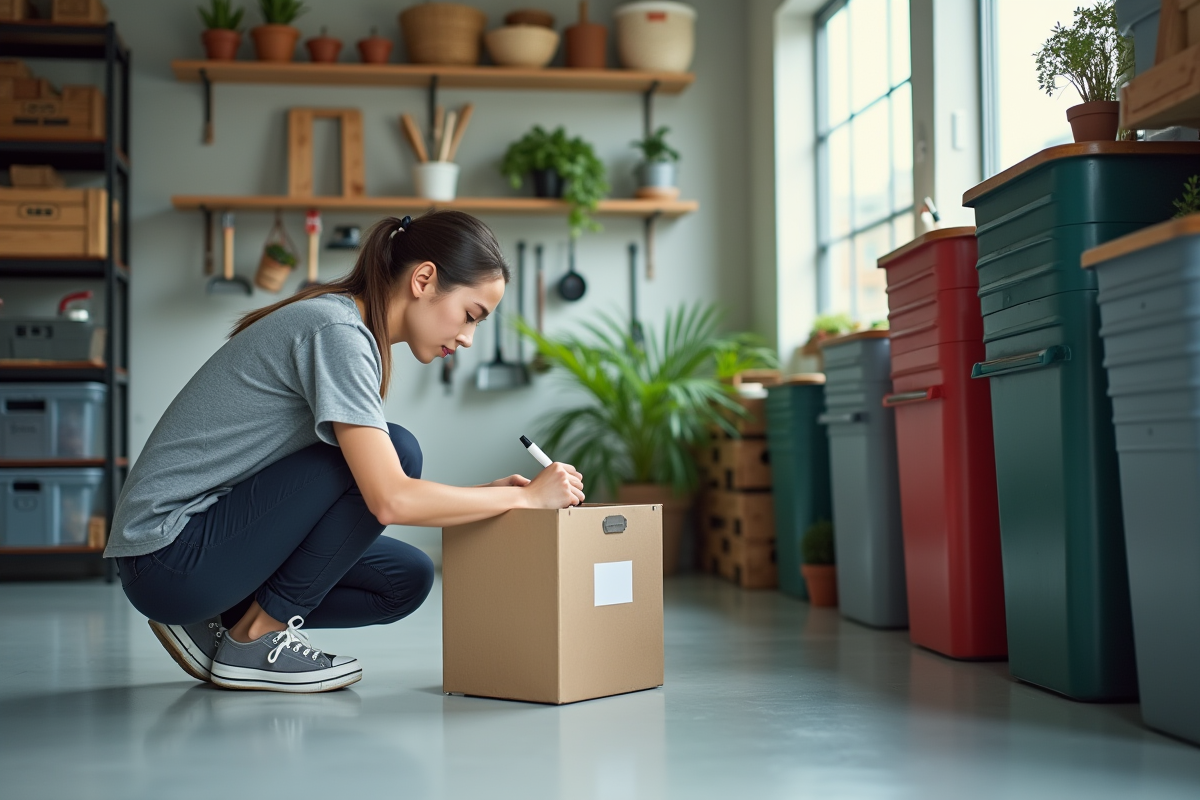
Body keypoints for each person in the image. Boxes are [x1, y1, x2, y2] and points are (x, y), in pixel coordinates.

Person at [104, 211, 584, 693]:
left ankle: (218, 620)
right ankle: (254, 638)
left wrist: (486, 496)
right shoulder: (337, 331)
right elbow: (389, 498)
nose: (467, 338)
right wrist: (524, 500)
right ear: (423, 279)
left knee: (406, 579)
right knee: (399, 450)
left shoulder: (344, 326)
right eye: (470, 315)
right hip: (167, 556)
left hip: (195, 549)